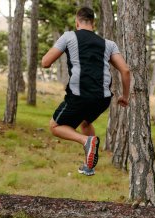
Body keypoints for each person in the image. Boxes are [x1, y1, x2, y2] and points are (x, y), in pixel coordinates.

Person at [41, 7, 130, 176]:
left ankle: (86, 140)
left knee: (55, 126)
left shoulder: (69, 36)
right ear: (93, 24)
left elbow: (46, 62)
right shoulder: (109, 44)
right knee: (85, 122)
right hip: (103, 98)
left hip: (80, 95)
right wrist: (125, 96)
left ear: (77, 22)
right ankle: (89, 166)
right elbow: (125, 70)